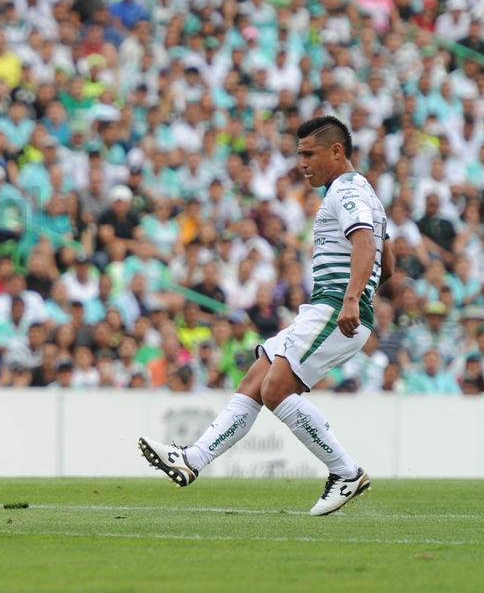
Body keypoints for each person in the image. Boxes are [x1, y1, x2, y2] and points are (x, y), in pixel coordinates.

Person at [138, 116, 394, 516]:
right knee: (256, 379)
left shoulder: (345, 192)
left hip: (336, 307)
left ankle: (345, 472)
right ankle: (192, 460)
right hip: (329, 306)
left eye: (310, 154)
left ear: (336, 151)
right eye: (299, 155)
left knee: (276, 390)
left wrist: (351, 298)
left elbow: (364, 241)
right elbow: (387, 260)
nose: (303, 163)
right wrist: (363, 284)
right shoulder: (366, 195)